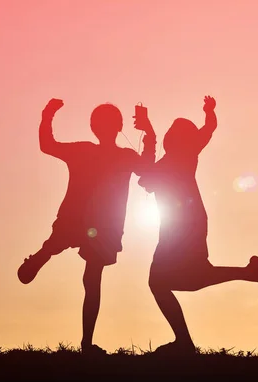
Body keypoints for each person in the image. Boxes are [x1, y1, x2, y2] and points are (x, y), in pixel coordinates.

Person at [137, 96, 258, 356]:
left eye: (172, 133)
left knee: (168, 281)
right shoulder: (185, 157)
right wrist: (209, 112)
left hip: (181, 228)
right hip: (187, 225)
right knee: (185, 277)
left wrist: (148, 133)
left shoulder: (174, 161)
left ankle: (184, 342)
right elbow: (207, 131)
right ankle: (249, 272)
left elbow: (144, 179)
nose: (169, 136)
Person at [18, 98, 157, 355]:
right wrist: (148, 132)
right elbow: (148, 168)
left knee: (59, 245)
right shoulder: (124, 156)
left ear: (94, 127)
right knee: (92, 280)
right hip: (104, 226)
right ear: (119, 127)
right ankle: (86, 344)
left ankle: (42, 254)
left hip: (76, 218)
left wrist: (47, 115)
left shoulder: (83, 150)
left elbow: (46, 145)